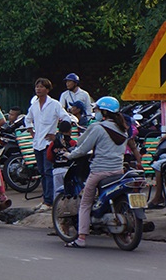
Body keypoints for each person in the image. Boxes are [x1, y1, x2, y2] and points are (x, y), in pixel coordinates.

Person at [64, 96, 142, 247]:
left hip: (99, 172)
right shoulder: (123, 129)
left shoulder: (98, 128)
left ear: (104, 112)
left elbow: (82, 149)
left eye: (98, 110)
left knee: (85, 203)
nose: (96, 113)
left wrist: (69, 155)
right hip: (118, 171)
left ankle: (81, 239)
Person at [25, 78, 73, 211]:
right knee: (41, 171)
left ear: (47, 89)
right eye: (37, 87)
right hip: (37, 143)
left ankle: (49, 201)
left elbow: (66, 118)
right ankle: (46, 199)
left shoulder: (54, 104)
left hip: (48, 143)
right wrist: (31, 131)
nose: (38, 89)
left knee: (48, 171)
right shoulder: (34, 105)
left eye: (41, 87)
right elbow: (27, 119)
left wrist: (57, 134)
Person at [48, 120, 77, 196]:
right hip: (68, 170)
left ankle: (57, 206)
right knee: (71, 191)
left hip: (56, 171)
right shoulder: (72, 142)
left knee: (57, 193)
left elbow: (49, 156)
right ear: (70, 131)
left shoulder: (53, 143)